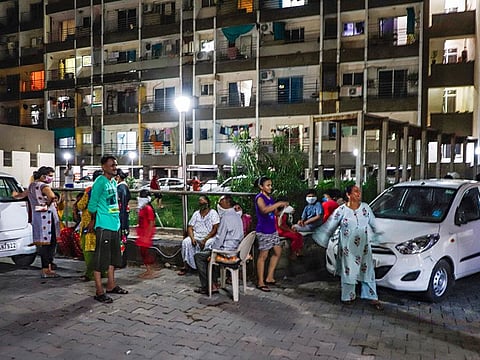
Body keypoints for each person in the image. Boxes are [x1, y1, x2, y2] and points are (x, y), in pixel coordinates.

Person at [312, 185, 384, 310]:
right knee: (349, 271)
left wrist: (379, 236)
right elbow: (330, 225)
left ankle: (372, 297)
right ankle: (348, 297)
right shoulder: (341, 210)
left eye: (359, 191)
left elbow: (373, 223)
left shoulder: (365, 208)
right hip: (347, 247)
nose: (358, 194)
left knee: (367, 270)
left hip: (364, 246)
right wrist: (322, 237)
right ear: (348, 195)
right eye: (355, 191)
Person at [88, 155, 128, 303]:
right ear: (103, 166)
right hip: (104, 225)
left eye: (115, 165)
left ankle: (111, 284)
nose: (114, 167)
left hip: (114, 224)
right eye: (112, 165)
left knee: (113, 257)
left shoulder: (112, 182)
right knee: (100, 259)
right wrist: (94, 219)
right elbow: (92, 205)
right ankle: (99, 290)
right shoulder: (99, 182)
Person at [14, 166, 60, 278]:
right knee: (50, 244)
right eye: (50, 176)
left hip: (38, 218)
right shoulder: (43, 186)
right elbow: (52, 196)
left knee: (43, 244)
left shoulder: (31, 186)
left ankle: (46, 268)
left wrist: (13, 194)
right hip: (48, 218)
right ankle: (46, 269)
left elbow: (19, 196)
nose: (51, 178)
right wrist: (47, 204)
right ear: (43, 176)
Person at [193, 195, 244, 294]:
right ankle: (214, 282)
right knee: (208, 253)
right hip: (235, 248)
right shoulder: (237, 216)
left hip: (227, 251)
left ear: (227, 203)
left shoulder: (226, 218)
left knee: (199, 256)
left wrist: (213, 249)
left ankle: (207, 286)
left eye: (221, 203)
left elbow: (219, 240)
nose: (219, 205)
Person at [254, 176, 289, 292]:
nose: (270, 187)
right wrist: (278, 203)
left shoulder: (270, 198)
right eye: (268, 185)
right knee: (263, 256)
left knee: (277, 252)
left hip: (272, 229)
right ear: (261, 186)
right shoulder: (259, 198)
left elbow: (275, 213)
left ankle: (269, 277)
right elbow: (264, 210)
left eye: (270, 185)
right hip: (263, 230)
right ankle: (260, 282)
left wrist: (283, 208)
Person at [178, 195, 220, 275]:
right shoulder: (196, 214)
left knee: (209, 244)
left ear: (208, 203)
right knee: (186, 242)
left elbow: (215, 228)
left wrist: (205, 239)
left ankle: (207, 268)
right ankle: (186, 266)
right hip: (196, 235)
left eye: (203, 203)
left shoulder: (213, 213)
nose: (202, 205)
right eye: (200, 203)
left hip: (209, 236)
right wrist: (192, 238)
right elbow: (190, 227)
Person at [76, 170, 104, 281]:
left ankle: (90, 274)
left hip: (90, 225)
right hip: (104, 223)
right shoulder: (108, 190)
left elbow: (81, 205)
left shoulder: (90, 191)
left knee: (89, 251)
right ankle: (104, 272)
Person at [136, 190, 159, 279]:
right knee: (143, 252)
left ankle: (150, 270)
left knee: (145, 252)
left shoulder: (148, 209)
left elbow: (151, 222)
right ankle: (148, 270)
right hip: (142, 232)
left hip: (146, 233)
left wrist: (147, 235)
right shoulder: (143, 208)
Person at [116, 169, 131, 262]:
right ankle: (121, 260)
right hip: (123, 215)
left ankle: (120, 260)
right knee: (123, 238)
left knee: (120, 239)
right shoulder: (124, 187)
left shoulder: (120, 188)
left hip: (121, 216)